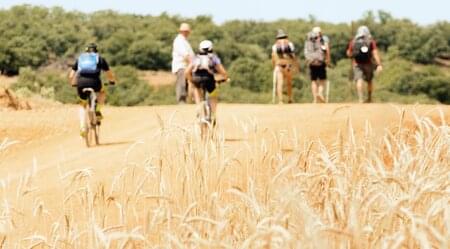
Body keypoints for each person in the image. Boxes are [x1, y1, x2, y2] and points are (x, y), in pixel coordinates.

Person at [69, 43, 116, 136]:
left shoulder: (80, 59)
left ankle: (82, 127)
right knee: (102, 92)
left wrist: (73, 83)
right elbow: (109, 74)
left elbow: (71, 75)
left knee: (82, 105)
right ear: (96, 51)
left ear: (86, 51)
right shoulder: (100, 59)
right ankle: (97, 110)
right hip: (95, 82)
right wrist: (112, 81)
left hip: (81, 83)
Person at [185, 40, 228, 126]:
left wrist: (191, 80)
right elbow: (223, 72)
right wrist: (225, 78)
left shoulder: (196, 58)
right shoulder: (213, 58)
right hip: (209, 80)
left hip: (197, 79)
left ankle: (199, 108)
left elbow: (186, 72)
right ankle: (213, 114)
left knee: (196, 90)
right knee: (213, 95)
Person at [346, 26, 382, 103]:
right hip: (368, 64)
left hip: (357, 64)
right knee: (369, 81)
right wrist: (379, 64)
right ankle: (369, 98)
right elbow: (375, 53)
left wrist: (352, 55)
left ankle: (360, 98)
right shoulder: (370, 41)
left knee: (359, 80)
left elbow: (348, 53)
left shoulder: (353, 41)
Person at [271, 29, 299, 104]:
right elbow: (293, 56)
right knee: (289, 83)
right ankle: (290, 99)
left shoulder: (274, 46)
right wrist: (296, 65)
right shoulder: (289, 44)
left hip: (279, 65)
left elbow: (274, 57)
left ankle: (281, 100)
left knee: (280, 83)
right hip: (288, 65)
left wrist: (274, 66)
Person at [304, 26, 331, 103]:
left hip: (312, 63)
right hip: (320, 62)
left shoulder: (309, 40)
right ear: (320, 32)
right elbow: (327, 50)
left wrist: (308, 60)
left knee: (313, 80)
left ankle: (315, 98)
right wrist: (328, 61)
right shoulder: (323, 40)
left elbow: (306, 51)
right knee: (322, 79)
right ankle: (320, 93)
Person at [172, 23, 195, 104]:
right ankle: (181, 101)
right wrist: (193, 64)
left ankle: (186, 101)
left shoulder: (184, 41)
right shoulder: (179, 41)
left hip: (187, 65)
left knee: (187, 84)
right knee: (182, 84)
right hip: (181, 66)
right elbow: (185, 54)